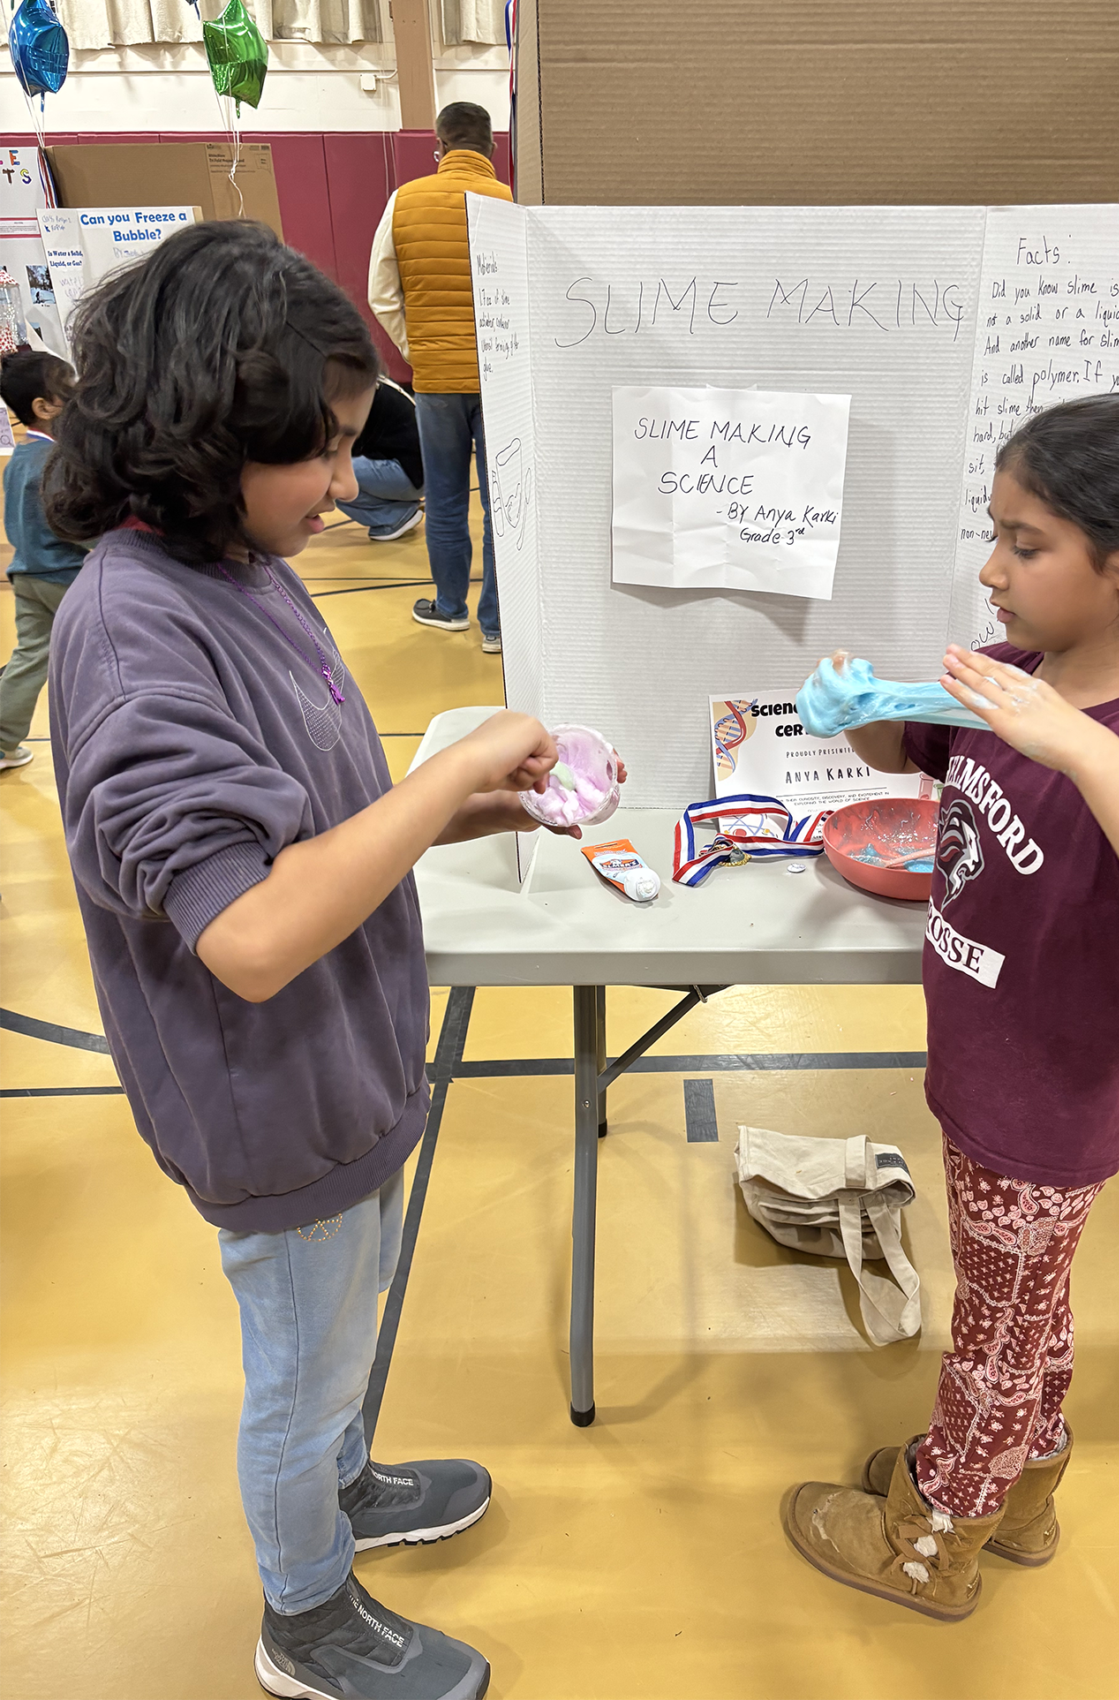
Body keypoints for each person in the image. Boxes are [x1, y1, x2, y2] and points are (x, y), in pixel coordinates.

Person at [43, 220, 577, 1700]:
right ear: (210, 437)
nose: (349, 484)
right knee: (300, 1362)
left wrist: (463, 808)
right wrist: (435, 785)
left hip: (345, 1063)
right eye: (325, 453)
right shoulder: (134, 636)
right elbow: (257, 933)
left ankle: (342, 1479)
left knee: (342, 1324)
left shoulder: (241, 572)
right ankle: (304, 1612)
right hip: (270, 1095)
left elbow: (318, 833)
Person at [784, 392, 1119, 1621]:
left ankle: (935, 1534)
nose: (990, 570)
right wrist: (868, 716)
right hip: (987, 1081)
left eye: (1024, 542)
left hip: (1040, 1115)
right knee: (1027, 1311)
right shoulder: (1017, 676)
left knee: (992, 1339)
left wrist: (1089, 755)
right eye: (993, 533)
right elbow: (926, 749)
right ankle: (1024, 1488)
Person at [368, 101, 510, 655]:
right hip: (499, 378)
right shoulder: (508, 204)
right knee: (502, 507)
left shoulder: (405, 200)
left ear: (440, 146)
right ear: (491, 148)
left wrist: (418, 349)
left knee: (447, 498)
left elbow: (381, 291)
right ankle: (497, 626)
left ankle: (450, 609)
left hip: (435, 382)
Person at [0, 349, 86, 771]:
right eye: (69, 388)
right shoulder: (58, 462)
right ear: (45, 406)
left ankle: (1, 741)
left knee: (30, 656)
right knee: (102, 654)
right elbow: (75, 524)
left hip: (26, 574)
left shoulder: (17, 460)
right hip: (64, 576)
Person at [335, 374, 425, 542]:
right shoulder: (374, 384)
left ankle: (393, 516)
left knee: (333, 476)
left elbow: (342, 449)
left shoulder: (356, 398)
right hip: (422, 471)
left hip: (411, 474)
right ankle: (398, 505)